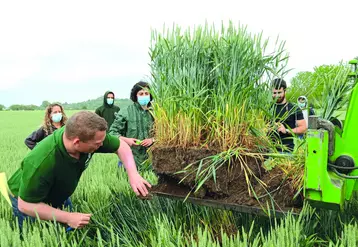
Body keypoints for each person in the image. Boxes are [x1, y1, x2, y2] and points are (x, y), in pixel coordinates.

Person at [7, 111, 151, 230]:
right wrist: (68, 217)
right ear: (77, 142)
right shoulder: (42, 161)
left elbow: (120, 145)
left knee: (68, 233)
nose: (102, 145)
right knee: (38, 235)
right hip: (30, 200)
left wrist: (133, 174)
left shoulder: (90, 136)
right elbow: (25, 204)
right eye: (97, 144)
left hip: (58, 192)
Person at [109, 81, 154, 169]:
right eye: (141, 94)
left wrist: (152, 140)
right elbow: (112, 133)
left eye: (146, 93)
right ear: (135, 96)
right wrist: (127, 140)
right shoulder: (126, 112)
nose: (144, 96)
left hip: (152, 160)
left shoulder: (157, 112)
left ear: (150, 95)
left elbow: (167, 135)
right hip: (131, 158)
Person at [271, 78, 307, 152]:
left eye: (279, 92)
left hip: (286, 150)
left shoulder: (294, 108)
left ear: (285, 91)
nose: (277, 95)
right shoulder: (267, 108)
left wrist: (286, 130)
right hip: (267, 149)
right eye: (274, 93)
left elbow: (303, 128)